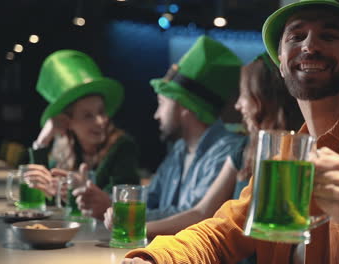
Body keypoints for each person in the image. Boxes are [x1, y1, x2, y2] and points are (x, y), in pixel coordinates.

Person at [122, 1, 339, 263]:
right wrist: (154, 258)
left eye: (328, 35)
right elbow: (222, 231)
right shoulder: (286, 154)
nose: (310, 46)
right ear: (282, 62)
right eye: (297, 36)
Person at [104, 53, 304, 241]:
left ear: (262, 99)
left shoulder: (290, 151)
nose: (237, 106)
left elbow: (204, 218)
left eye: (243, 94)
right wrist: (127, 220)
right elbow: (202, 213)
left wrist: (131, 224)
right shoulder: (241, 148)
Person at [24, 50, 140, 219]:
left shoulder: (122, 146)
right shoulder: (64, 148)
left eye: (101, 112)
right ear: (68, 122)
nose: (100, 121)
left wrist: (77, 196)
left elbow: (122, 203)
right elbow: (44, 198)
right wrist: (42, 141)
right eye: (88, 116)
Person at [140, 35, 244, 221]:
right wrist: (110, 204)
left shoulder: (226, 150)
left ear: (184, 106)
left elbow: (192, 219)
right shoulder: (180, 149)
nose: (157, 114)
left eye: (162, 103)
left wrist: (123, 216)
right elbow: (148, 201)